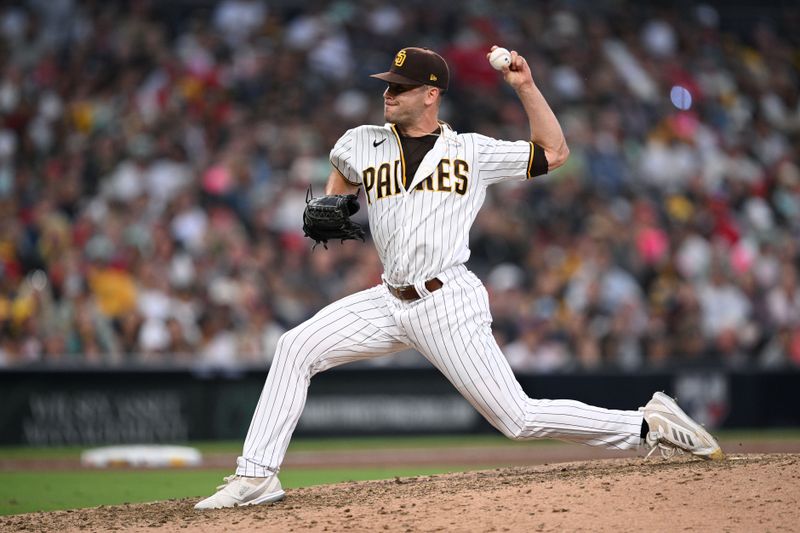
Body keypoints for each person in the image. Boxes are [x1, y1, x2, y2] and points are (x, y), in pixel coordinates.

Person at [194, 46, 724, 510]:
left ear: (431, 94)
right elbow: (341, 179)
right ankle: (256, 476)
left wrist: (527, 87)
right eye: (387, 86)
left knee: (517, 419)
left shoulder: (471, 149)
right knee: (294, 347)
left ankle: (647, 425)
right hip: (388, 299)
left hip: (446, 301)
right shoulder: (361, 140)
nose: (389, 95)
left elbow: (554, 152)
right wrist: (335, 201)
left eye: (400, 88)